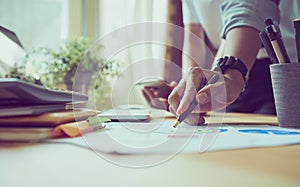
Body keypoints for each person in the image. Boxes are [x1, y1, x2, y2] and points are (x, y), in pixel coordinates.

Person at [142, 0, 299, 125]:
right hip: (233, 69)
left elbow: (249, 7)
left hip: (281, 70)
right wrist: (189, 91)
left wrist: (232, 70)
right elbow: (194, 41)